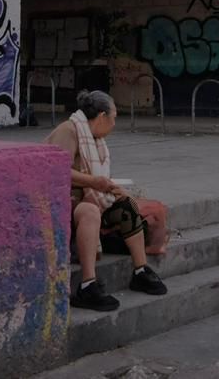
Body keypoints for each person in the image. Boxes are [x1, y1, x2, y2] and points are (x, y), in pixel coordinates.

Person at [45, 90, 168, 311]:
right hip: (64, 202)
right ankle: (87, 285)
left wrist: (113, 189)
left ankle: (141, 270)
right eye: (113, 118)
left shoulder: (96, 139)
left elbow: (98, 179)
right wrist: (94, 182)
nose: (114, 124)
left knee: (127, 205)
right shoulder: (69, 130)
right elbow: (57, 170)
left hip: (90, 197)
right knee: (90, 211)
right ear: (102, 116)